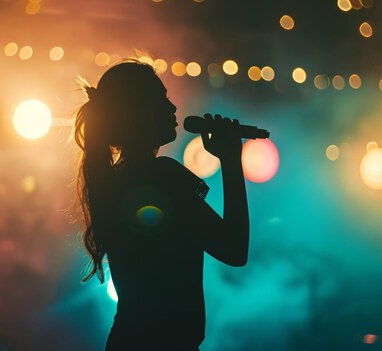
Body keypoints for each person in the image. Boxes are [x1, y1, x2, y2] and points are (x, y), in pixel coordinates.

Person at [74, 60, 250, 350]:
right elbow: (234, 248)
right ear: (138, 113)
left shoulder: (118, 179)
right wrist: (231, 161)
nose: (173, 108)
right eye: (161, 100)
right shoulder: (161, 177)